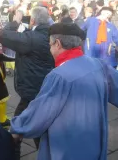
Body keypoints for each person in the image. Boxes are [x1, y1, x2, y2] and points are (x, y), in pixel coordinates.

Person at [10, 23, 118, 160]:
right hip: (95, 140)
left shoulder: (59, 76)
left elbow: (40, 113)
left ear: (58, 44)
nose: (49, 49)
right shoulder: (100, 65)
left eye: (50, 45)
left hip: (68, 146)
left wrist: (17, 128)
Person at [0, 7, 54, 159]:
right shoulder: (51, 35)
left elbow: (3, 35)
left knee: (18, 126)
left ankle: (13, 154)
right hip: (44, 87)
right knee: (38, 126)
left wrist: (15, 21)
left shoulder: (32, 38)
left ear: (33, 20)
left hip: (32, 90)